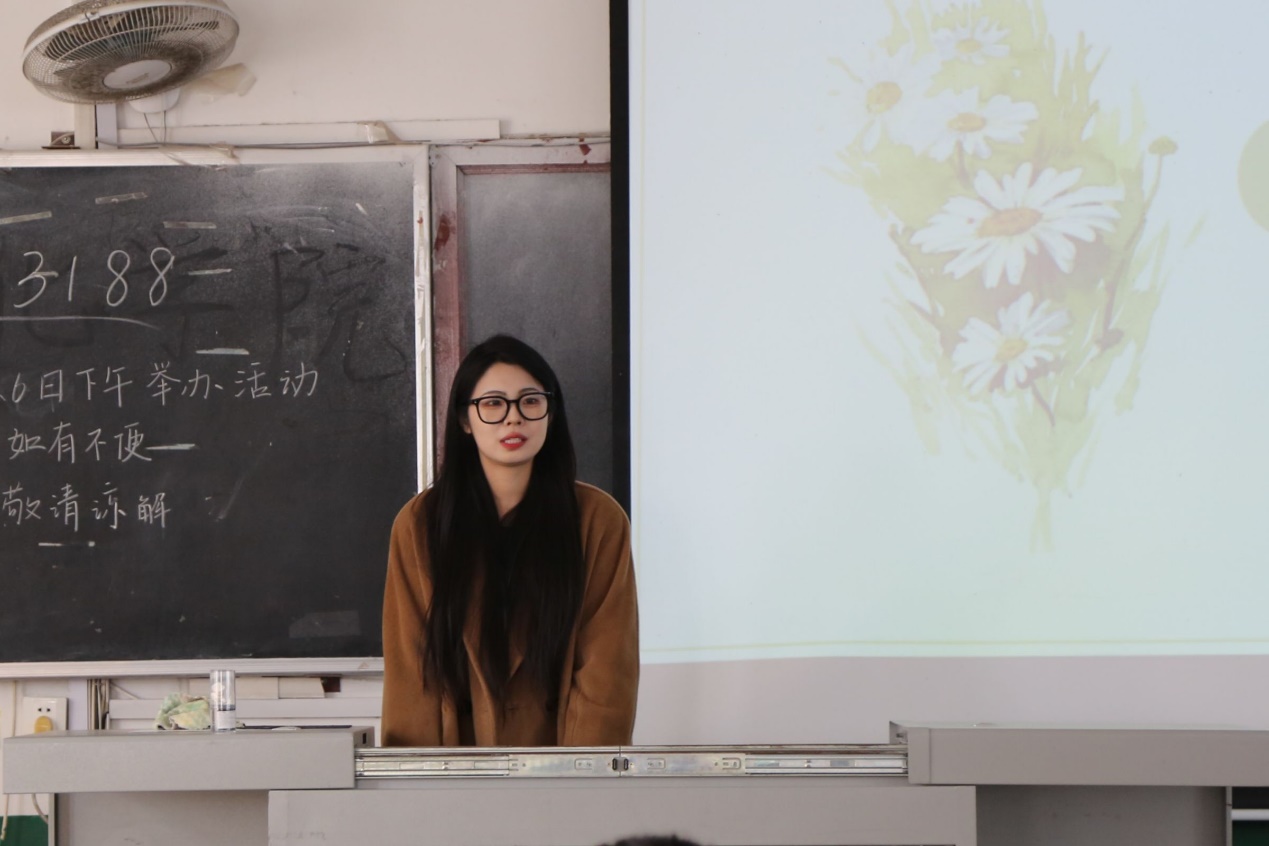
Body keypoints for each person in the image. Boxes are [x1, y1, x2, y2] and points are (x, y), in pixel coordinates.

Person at [381, 334, 639, 746]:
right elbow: (412, 676)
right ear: (465, 420)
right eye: (493, 403)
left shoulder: (597, 519)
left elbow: (605, 673)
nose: (513, 418)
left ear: (551, 413)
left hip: (561, 764)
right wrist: (420, 778)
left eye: (530, 401)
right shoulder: (420, 523)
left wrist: (583, 774)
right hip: (457, 766)